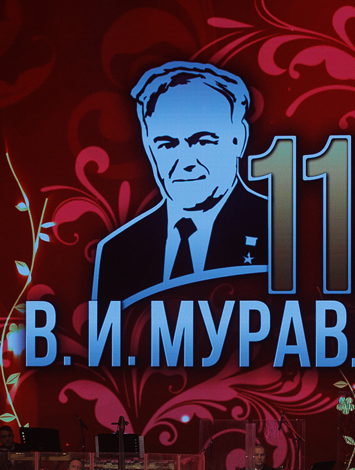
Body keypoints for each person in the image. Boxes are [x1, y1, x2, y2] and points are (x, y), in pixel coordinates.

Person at [92, 61, 268, 307]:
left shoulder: (281, 233)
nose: (185, 162)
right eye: (167, 144)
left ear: (238, 139)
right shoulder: (119, 251)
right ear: (148, 145)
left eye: (203, 141)